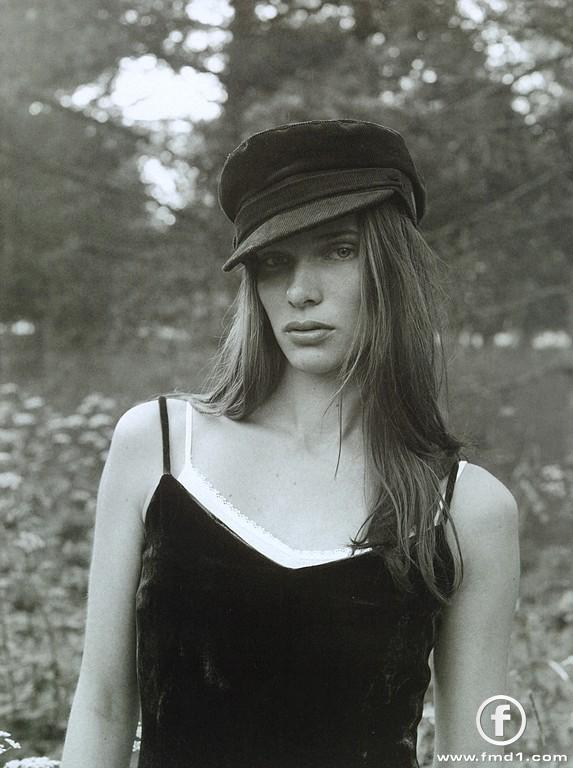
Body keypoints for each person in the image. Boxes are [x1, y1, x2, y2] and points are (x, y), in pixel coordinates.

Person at [60, 120, 520, 768]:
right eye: (274, 263)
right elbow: (104, 705)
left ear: (392, 267)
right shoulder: (159, 449)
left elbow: (481, 754)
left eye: (338, 250)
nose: (300, 292)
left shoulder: (465, 508)